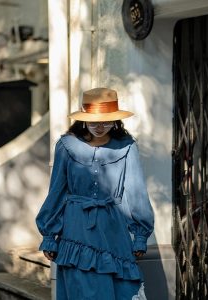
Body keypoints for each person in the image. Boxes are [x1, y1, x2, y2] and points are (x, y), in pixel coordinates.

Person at [36, 87, 154, 299]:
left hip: (113, 229)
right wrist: (49, 236)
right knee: (81, 286)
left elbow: (136, 192)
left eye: (106, 121)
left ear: (115, 121)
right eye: (94, 121)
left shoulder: (127, 147)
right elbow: (56, 192)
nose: (100, 127)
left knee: (120, 289)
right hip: (76, 228)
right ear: (83, 119)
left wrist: (140, 235)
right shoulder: (66, 146)